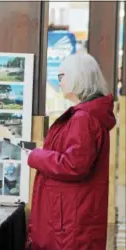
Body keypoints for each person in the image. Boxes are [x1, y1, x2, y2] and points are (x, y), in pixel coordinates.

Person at [26, 53, 116, 250]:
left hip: (69, 220)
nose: (59, 83)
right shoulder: (88, 115)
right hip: (72, 214)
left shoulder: (83, 118)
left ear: (78, 77)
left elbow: (73, 165)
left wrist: (35, 155)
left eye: (61, 77)